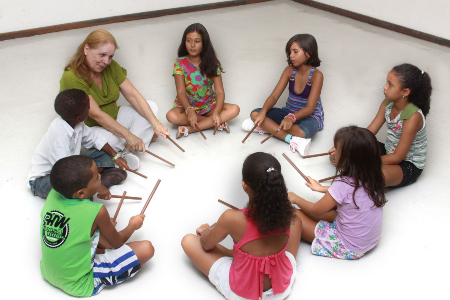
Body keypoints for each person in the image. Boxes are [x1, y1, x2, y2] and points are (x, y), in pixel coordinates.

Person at [181, 152, 302, 300]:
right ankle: (241, 255)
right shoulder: (288, 214)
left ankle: (237, 255)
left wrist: (206, 230)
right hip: (280, 288)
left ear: (244, 185)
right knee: (296, 221)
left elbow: (206, 245)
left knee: (188, 240)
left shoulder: (232, 218)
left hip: (245, 294)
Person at [40, 155, 154, 296]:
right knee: (146, 248)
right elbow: (117, 243)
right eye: (96, 178)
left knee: (98, 239)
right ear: (81, 193)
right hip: (79, 283)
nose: (100, 176)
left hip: (48, 271)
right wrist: (132, 225)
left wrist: (101, 227)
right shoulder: (97, 212)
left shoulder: (53, 194)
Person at [60, 29, 170, 170]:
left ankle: (127, 150)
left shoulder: (111, 67)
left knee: (151, 107)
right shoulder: (72, 76)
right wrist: (129, 135)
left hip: (114, 117)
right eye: (102, 55)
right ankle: (132, 146)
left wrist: (156, 124)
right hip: (90, 128)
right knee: (109, 140)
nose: (106, 61)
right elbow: (96, 115)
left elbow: (133, 95)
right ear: (86, 49)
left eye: (110, 56)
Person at [289, 126, 386, 260]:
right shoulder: (372, 176)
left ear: (349, 158)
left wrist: (295, 198)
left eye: (337, 149)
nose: (332, 151)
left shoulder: (343, 184)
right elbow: (351, 194)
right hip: (369, 241)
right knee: (333, 213)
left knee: (293, 213)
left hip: (347, 246)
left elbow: (315, 210)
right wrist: (321, 188)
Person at [329, 64, 431, 188]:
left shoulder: (413, 116)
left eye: (390, 84)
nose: (385, 87)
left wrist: (365, 162)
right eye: (386, 83)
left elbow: (398, 157)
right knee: (344, 152)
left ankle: (364, 173)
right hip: (388, 151)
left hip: (407, 163)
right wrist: (346, 147)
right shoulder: (387, 103)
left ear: (405, 92)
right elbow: (369, 132)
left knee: (372, 175)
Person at [28, 89, 129, 200]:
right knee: (81, 195)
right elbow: (66, 173)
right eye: (88, 107)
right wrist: (99, 186)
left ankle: (92, 182)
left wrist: (115, 156)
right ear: (79, 117)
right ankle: (94, 184)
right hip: (47, 179)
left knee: (104, 154)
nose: (90, 109)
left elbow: (95, 138)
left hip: (73, 165)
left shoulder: (76, 122)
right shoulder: (58, 136)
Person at [242, 34, 324, 156]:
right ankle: (292, 139)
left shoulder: (317, 75)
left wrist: (291, 118)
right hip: (288, 112)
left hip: (309, 116)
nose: (291, 55)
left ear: (308, 53)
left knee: (303, 131)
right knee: (255, 113)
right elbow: (274, 96)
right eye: (290, 52)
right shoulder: (289, 70)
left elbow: (310, 108)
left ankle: (268, 127)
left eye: (295, 52)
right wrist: (263, 112)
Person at [166, 23, 240, 138]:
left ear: (204, 43)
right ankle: (213, 122)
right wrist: (190, 111)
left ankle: (190, 129)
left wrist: (216, 112)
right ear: (184, 42)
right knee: (171, 116)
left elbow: (220, 92)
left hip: (208, 106)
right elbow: (180, 92)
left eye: (197, 41)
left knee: (234, 109)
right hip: (187, 107)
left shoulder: (212, 62)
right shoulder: (179, 63)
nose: (192, 45)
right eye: (189, 41)